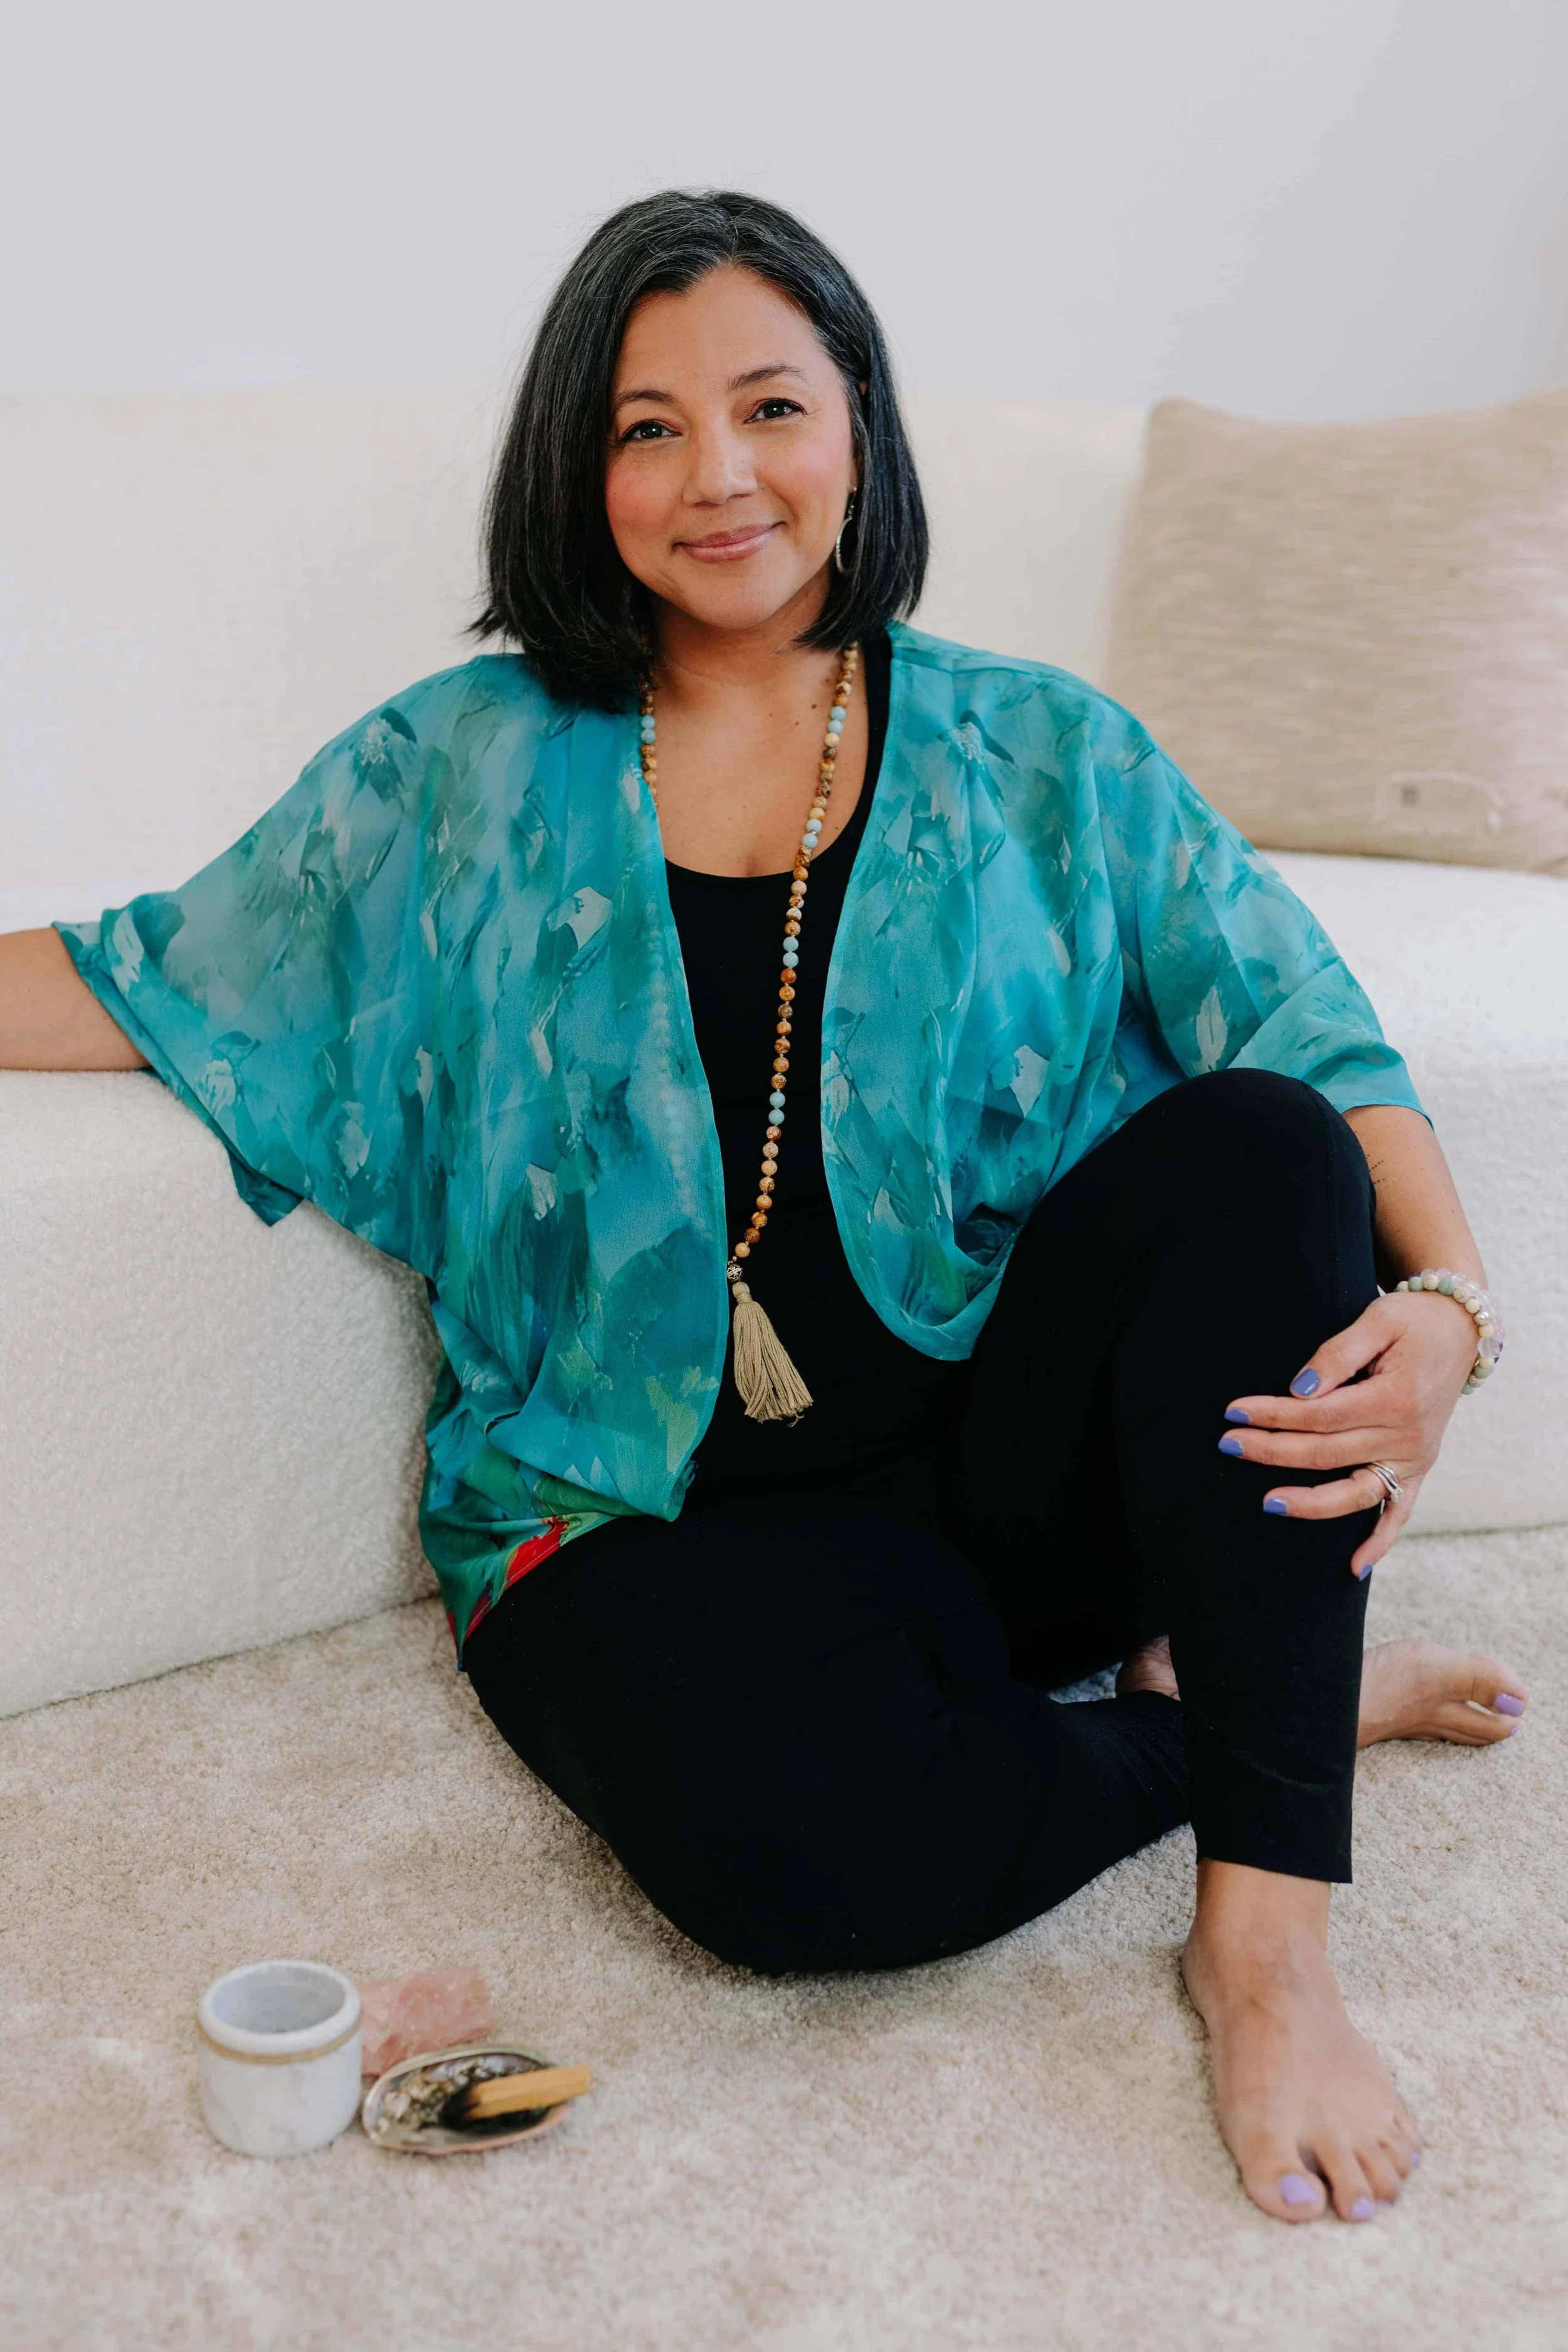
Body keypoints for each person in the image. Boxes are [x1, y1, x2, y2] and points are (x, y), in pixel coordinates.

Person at [0, 189, 1526, 2228]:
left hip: (996, 1465)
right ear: (579, 468)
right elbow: (154, 962)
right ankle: (1254, 1700)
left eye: (767, 406)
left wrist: (1444, 1301)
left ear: (860, 433)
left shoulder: (1039, 750)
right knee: (811, 1873)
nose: (715, 474)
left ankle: (1264, 1931)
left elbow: (1308, 1031)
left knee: (1253, 1146)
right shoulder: (458, 766)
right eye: (643, 427)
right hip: (632, 1516)